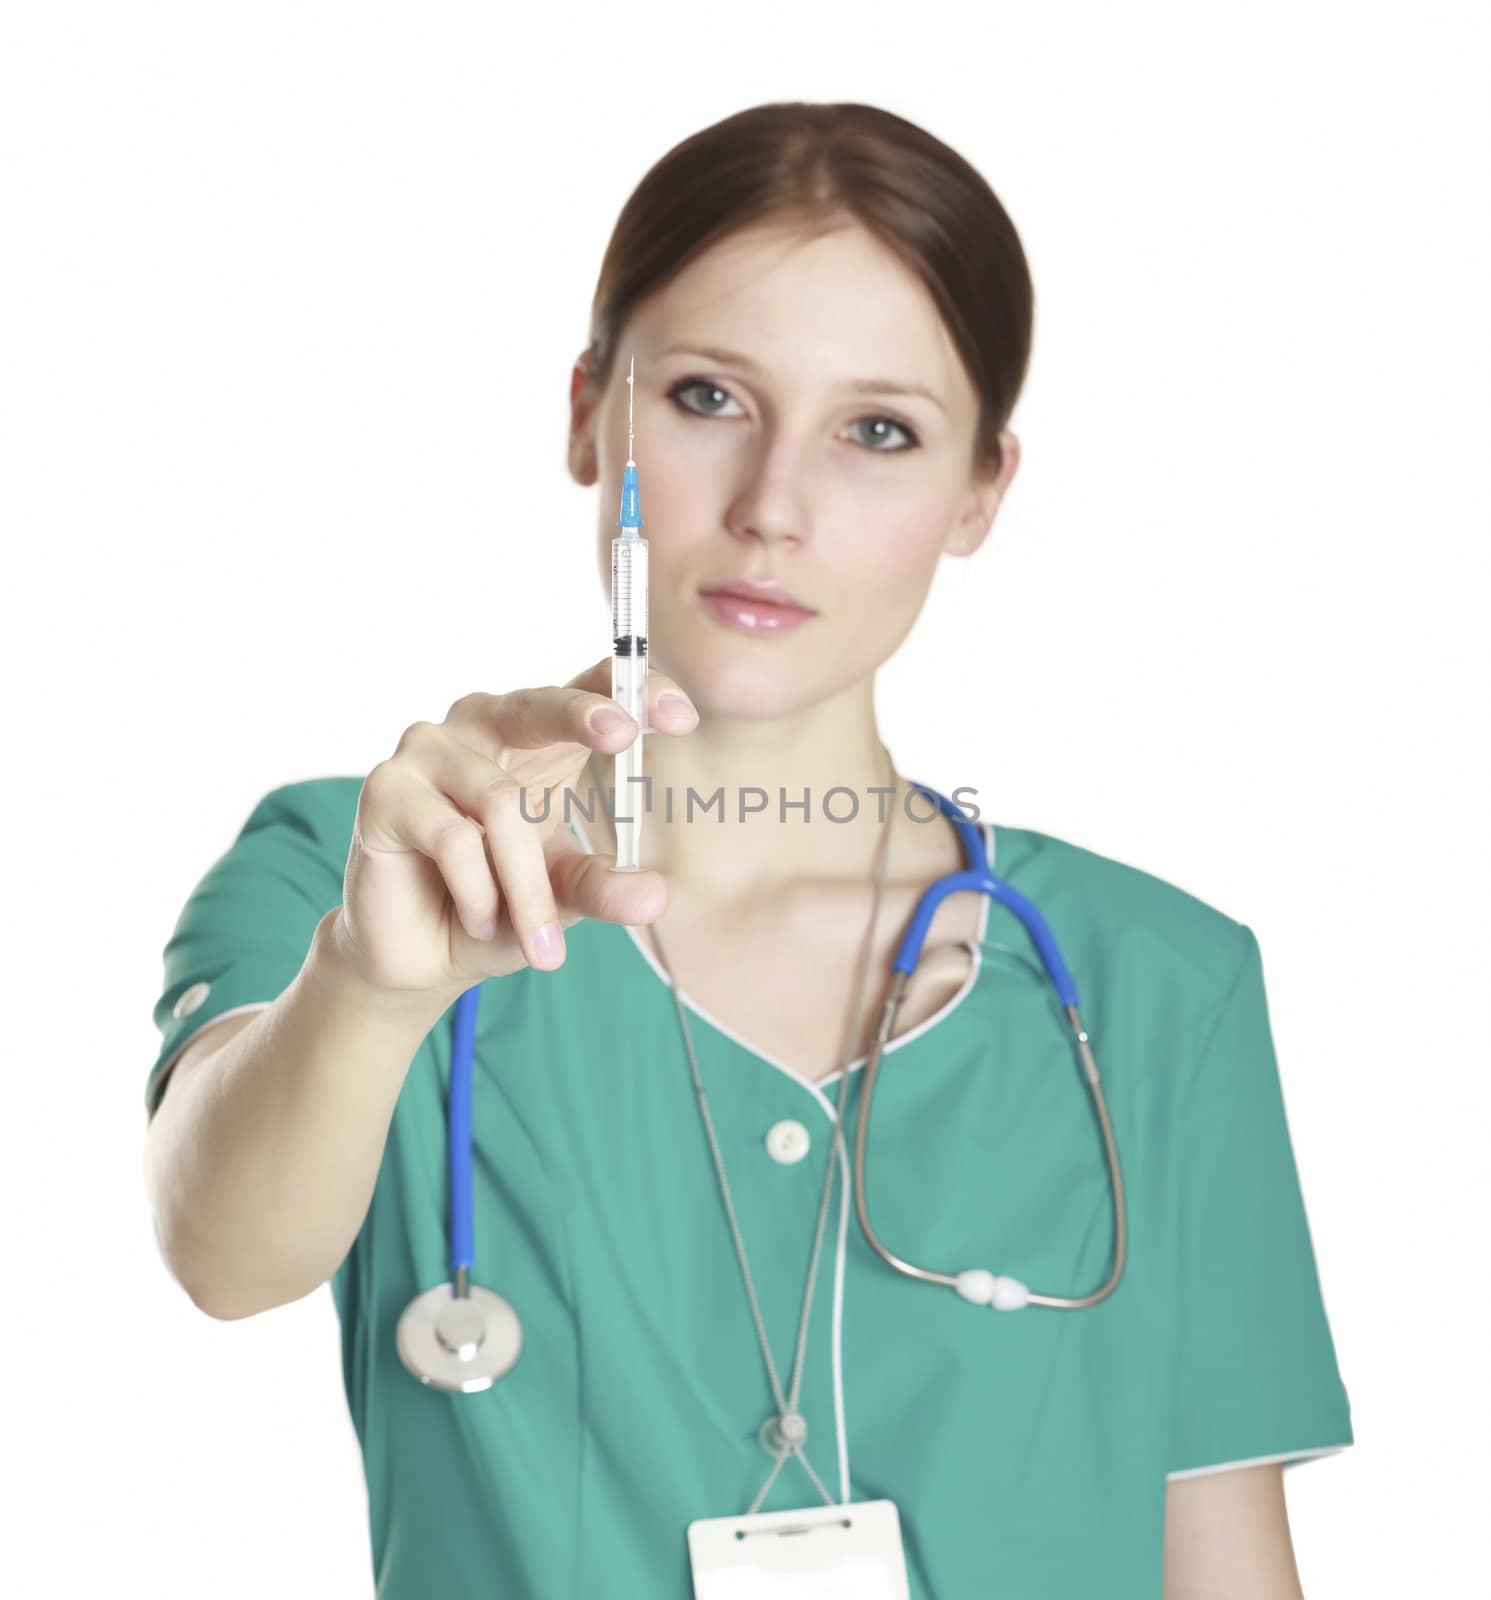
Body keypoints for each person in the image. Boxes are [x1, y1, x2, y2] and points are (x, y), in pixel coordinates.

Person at [142, 101, 1353, 1598]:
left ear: (981, 490)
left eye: (879, 432)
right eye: (710, 398)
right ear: (588, 410)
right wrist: (375, 991)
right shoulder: (375, 867)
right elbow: (220, 1250)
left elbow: (1223, 1569)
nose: (776, 506)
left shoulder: (1164, 980)